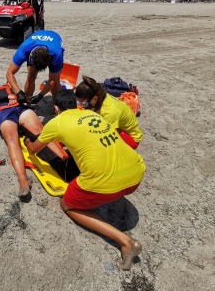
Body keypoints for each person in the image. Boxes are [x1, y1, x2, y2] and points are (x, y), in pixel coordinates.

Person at [25, 89, 145, 271]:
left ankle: (125, 241)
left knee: (67, 205)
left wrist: (28, 142)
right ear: (76, 104)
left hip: (106, 182)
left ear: (56, 108)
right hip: (136, 174)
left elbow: (34, 149)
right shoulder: (91, 114)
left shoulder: (56, 123)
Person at [0, 77, 63, 200]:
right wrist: (7, 95)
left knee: (40, 131)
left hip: (20, 108)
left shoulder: (8, 86)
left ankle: (64, 159)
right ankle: (23, 180)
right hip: (3, 111)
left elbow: (20, 95)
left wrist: (12, 94)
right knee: (12, 141)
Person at [75, 76, 143, 149]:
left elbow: (108, 137)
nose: (81, 105)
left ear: (95, 98)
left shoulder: (109, 112)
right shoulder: (100, 96)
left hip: (130, 137)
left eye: (83, 103)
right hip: (117, 125)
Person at [6, 29, 64, 106]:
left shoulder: (57, 55)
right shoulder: (24, 49)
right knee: (31, 75)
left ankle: (57, 107)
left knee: (56, 82)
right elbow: (9, 73)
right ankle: (28, 103)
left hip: (55, 39)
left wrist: (40, 95)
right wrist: (18, 92)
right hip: (34, 43)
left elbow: (52, 80)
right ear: (31, 56)